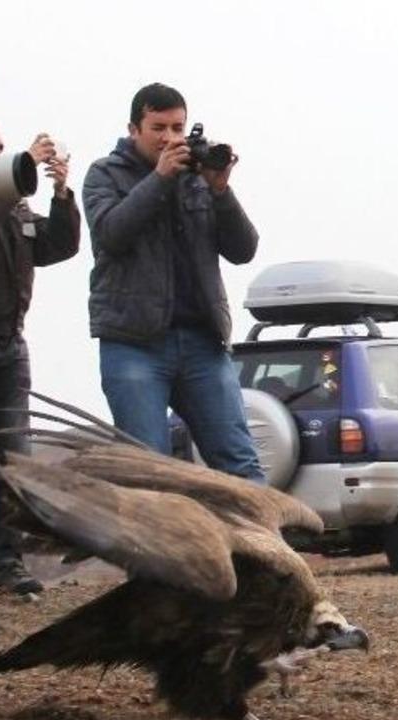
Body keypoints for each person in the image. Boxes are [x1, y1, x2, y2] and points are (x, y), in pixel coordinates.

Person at [82, 82, 264, 480]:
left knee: (240, 464)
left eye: (177, 128)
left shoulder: (197, 178)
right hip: (134, 342)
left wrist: (220, 190)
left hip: (203, 341)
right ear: (134, 130)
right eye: (158, 127)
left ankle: (261, 543)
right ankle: (157, 545)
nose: (170, 138)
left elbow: (244, 249)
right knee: (151, 472)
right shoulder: (104, 174)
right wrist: (160, 179)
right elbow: (111, 233)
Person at [0, 119, 81, 596]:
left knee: (15, 462)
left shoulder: (20, 210)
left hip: (10, 344)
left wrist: (62, 192)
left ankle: (7, 565)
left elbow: (59, 246)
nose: (0, 155)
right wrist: (19, 165)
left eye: (3, 149)